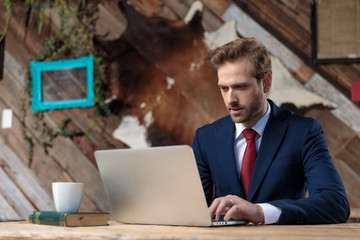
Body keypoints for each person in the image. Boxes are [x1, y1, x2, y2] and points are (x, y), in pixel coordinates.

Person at [192, 37, 350, 225]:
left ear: (266, 82)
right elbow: (191, 208)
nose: (230, 99)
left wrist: (261, 212)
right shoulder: (206, 137)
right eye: (224, 88)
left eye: (240, 87)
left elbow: (336, 204)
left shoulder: (303, 132)